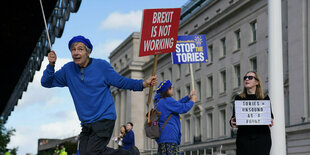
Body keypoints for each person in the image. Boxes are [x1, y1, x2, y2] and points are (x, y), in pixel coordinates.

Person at [41, 35, 157, 155]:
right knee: (84, 153)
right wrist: (51, 65)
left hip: (104, 117)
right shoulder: (68, 70)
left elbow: (121, 81)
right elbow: (46, 82)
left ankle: (130, 154)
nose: (76, 52)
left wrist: (143, 84)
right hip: (86, 123)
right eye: (73, 49)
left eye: (80, 49)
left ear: (88, 52)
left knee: (93, 152)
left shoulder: (102, 66)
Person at [230, 71, 274, 155]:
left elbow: (270, 115)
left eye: (250, 77)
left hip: (262, 138)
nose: (247, 79)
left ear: (257, 82)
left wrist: (271, 120)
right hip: (244, 138)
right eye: (245, 78)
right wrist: (231, 122)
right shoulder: (239, 98)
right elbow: (234, 117)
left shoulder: (264, 98)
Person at [154, 80, 196, 155]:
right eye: (171, 88)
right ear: (167, 90)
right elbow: (182, 108)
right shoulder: (167, 100)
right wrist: (192, 101)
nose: (172, 90)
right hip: (170, 136)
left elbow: (176, 104)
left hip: (163, 137)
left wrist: (188, 97)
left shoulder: (160, 101)